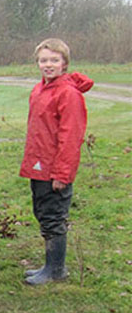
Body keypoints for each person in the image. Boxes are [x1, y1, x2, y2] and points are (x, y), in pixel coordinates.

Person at [19, 38, 93, 285]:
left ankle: (56, 269)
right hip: (38, 165)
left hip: (54, 169)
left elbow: (70, 137)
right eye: (43, 60)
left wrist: (62, 174)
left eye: (54, 60)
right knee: (42, 212)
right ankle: (50, 264)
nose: (48, 65)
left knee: (53, 216)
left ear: (64, 64)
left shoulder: (68, 94)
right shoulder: (39, 89)